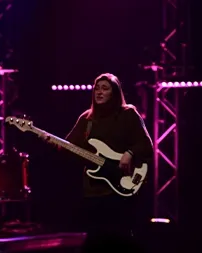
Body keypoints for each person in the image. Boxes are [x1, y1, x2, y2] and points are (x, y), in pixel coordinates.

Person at [42, 73, 153, 244]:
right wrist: (52, 142)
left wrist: (129, 153)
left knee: (120, 242)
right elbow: (70, 148)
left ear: (114, 93)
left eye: (105, 88)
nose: (99, 92)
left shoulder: (128, 114)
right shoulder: (87, 119)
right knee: (96, 242)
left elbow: (146, 145)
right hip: (93, 192)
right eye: (97, 88)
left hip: (121, 191)